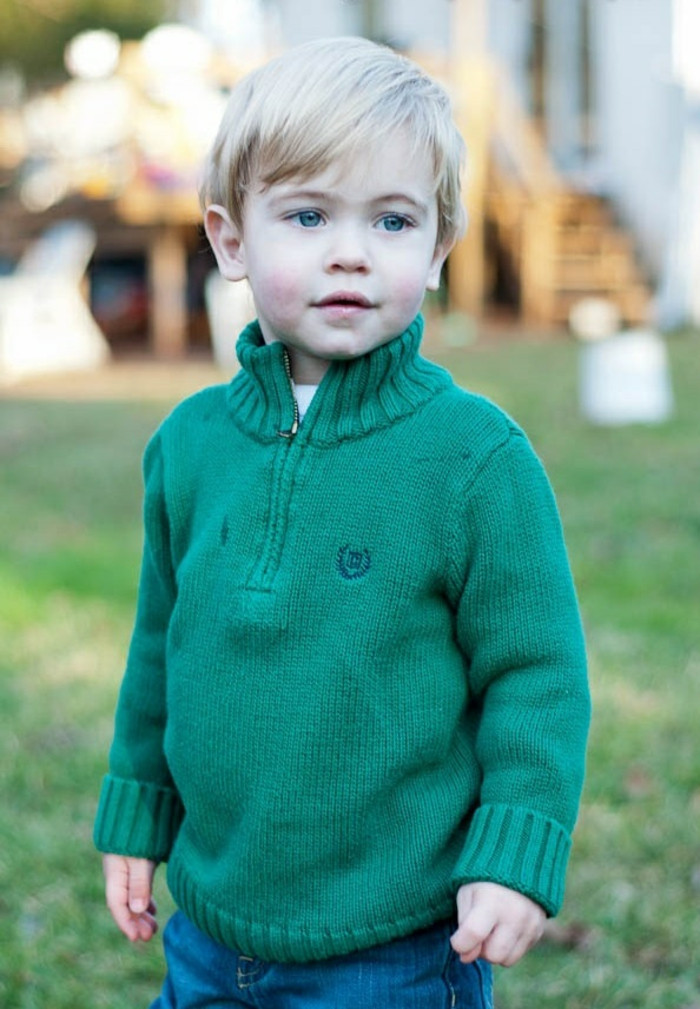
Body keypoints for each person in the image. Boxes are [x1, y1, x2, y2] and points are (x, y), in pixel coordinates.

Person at [94, 36, 590, 1008]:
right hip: (209, 928)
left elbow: (536, 673)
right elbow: (161, 641)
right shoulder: (188, 447)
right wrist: (137, 807)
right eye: (309, 213)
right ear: (231, 239)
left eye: (393, 219)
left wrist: (518, 848)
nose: (350, 251)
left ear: (438, 249)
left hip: (396, 946)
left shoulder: (474, 459)